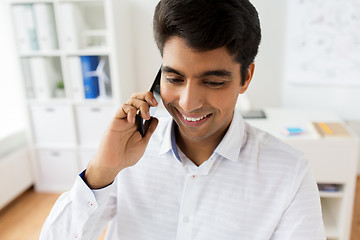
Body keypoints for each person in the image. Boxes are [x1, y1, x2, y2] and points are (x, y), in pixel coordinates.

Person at [40, 0, 326, 239]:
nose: (188, 102)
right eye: (174, 78)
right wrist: (101, 172)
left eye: (213, 82)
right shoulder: (127, 153)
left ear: (246, 77)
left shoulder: (289, 172)